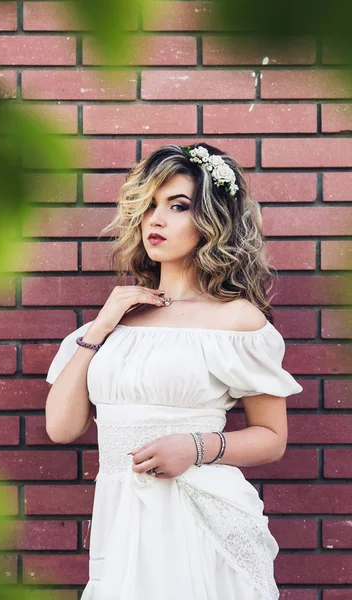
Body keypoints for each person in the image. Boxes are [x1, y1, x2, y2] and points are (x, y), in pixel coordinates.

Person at [45, 143, 303, 600]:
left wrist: (195, 447)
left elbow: (272, 437)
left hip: (198, 517)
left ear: (211, 222)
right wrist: (102, 326)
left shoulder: (237, 321)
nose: (156, 220)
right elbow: (61, 428)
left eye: (177, 206)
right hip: (120, 519)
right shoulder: (111, 323)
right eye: (149, 206)